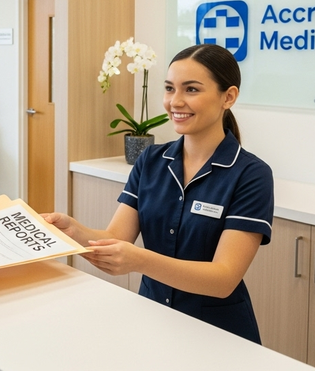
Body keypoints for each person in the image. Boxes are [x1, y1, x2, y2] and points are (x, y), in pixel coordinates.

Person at [43, 44, 274, 344]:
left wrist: (140, 260)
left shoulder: (250, 174)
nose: (175, 101)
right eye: (169, 88)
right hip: (152, 320)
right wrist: (74, 231)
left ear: (228, 97)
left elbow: (223, 278)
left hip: (218, 336)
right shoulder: (151, 160)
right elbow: (118, 238)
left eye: (191, 89)